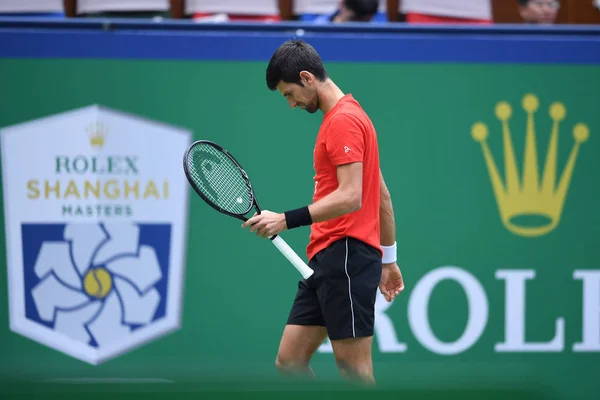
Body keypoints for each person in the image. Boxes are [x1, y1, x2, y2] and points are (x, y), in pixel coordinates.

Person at [241, 40, 404, 384]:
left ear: (307, 77)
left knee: (355, 371)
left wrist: (284, 219)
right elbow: (382, 197)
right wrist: (388, 260)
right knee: (290, 362)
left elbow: (352, 197)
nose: (291, 104)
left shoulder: (343, 121)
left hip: (346, 255)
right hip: (327, 261)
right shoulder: (351, 116)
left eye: (289, 93)